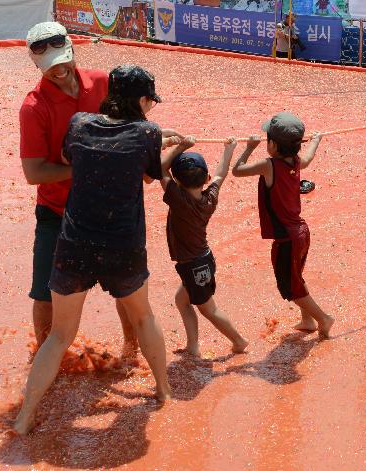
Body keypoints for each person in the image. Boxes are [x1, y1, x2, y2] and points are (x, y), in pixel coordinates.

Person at [13, 65, 173, 435]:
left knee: (60, 335)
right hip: (123, 245)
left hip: (75, 244)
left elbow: (77, 158)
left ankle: (24, 418)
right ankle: (163, 391)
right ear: (143, 100)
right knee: (145, 317)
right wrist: (173, 145)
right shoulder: (148, 131)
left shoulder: (80, 123)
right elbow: (149, 175)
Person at [19, 22, 137, 353]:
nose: (58, 70)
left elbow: (129, 126)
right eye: (49, 65)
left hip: (108, 206)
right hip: (58, 212)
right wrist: (84, 164)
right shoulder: (33, 107)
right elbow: (33, 172)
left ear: (72, 50)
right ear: (35, 63)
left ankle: (132, 350)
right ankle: (45, 356)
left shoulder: (102, 82)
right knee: (44, 293)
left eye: (63, 61)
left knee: (127, 288)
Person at [232, 112, 334, 338]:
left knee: (290, 288)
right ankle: (307, 320)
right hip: (301, 232)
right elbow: (307, 158)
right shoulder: (296, 162)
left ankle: (323, 318)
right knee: (297, 277)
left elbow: (237, 171)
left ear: (273, 145)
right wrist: (316, 140)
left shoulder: (269, 166)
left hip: (288, 239)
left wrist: (248, 148)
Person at [160, 136, 248, 356]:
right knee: (182, 301)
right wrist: (229, 149)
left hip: (194, 265)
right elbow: (220, 174)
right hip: (203, 259)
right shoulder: (209, 198)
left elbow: (160, 169)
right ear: (206, 178)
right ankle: (193, 346)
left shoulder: (178, 199)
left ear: (178, 182)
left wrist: (181, 146)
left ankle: (239, 341)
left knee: (208, 309)